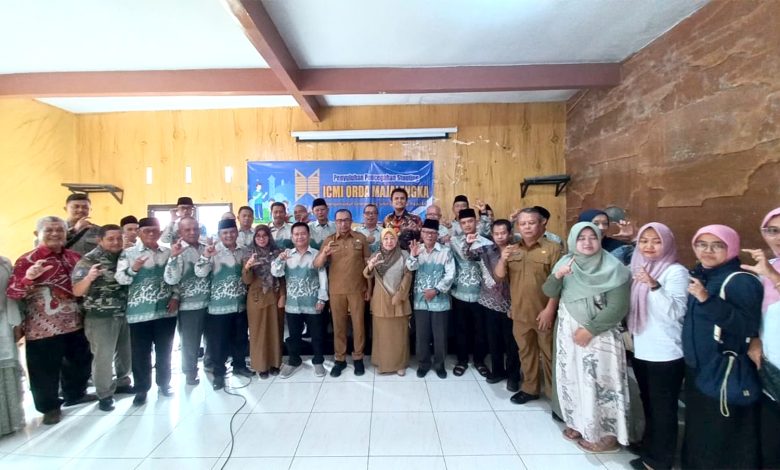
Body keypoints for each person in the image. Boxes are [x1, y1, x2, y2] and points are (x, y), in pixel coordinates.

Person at [543, 222, 632, 453]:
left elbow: (618, 307)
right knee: (573, 377)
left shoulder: (613, 267)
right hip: (569, 332)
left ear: (600, 239)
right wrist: (558, 276)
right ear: (573, 241)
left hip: (600, 335)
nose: (587, 242)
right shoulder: (566, 262)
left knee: (599, 382)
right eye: (581, 238)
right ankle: (578, 422)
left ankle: (606, 436)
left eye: (592, 237)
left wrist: (590, 330)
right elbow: (549, 291)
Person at [681, 225, 763, 469]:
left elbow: (746, 325)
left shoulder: (740, 280)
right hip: (699, 365)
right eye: (702, 244)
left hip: (723, 367)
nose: (708, 251)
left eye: (717, 245)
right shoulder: (701, 275)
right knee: (701, 429)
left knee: (721, 433)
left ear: (732, 248)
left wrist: (706, 299)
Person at [6, 216, 96, 425]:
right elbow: (13, 292)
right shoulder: (27, 260)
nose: (55, 234)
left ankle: (75, 394)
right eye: (49, 230)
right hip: (42, 327)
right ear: (37, 234)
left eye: (59, 230)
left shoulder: (74, 257)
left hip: (75, 321)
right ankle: (49, 407)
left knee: (79, 361)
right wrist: (29, 277)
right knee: (44, 369)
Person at [627, 223, 688, 470]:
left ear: (667, 243)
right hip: (642, 348)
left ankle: (659, 461)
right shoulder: (640, 266)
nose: (649, 246)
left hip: (666, 352)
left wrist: (654, 286)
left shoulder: (676, 272)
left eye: (656, 241)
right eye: (644, 241)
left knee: (664, 408)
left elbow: (675, 312)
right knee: (649, 402)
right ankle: (649, 446)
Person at [494, 208, 562, 404]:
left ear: (542, 224)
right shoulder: (513, 249)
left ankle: (555, 397)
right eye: (522, 224)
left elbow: (560, 283)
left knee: (549, 355)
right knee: (526, 353)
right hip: (520, 314)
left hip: (544, 314)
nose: (527, 227)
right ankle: (530, 389)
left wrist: (550, 310)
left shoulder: (553, 249)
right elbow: (499, 277)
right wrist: (503, 258)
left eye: (531, 223)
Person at [115, 217, 179, 406]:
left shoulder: (168, 252)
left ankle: (164, 383)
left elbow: (177, 276)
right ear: (139, 233)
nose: (151, 233)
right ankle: (141, 388)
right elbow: (120, 279)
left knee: (165, 350)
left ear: (160, 232)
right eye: (146, 231)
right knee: (140, 353)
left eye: (154, 230)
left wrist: (176, 296)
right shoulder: (128, 253)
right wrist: (134, 269)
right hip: (139, 312)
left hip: (165, 310)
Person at [72, 224, 134, 412]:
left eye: (119, 238)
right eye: (110, 239)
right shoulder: (89, 260)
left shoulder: (126, 256)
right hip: (101, 317)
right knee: (103, 358)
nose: (116, 242)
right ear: (100, 240)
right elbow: (77, 291)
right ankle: (104, 394)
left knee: (125, 352)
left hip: (125, 313)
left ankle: (123, 382)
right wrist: (89, 278)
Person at [195, 219, 252, 390]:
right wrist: (206, 256)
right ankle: (219, 374)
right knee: (218, 343)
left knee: (240, 338)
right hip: (218, 306)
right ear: (220, 235)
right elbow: (200, 272)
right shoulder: (213, 251)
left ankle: (239, 365)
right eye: (225, 233)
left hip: (240, 304)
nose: (229, 235)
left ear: (237, 232)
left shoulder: (244, 250)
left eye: (232, 232)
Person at [743, 207, 780, 470]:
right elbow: (760, 314)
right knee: (771, 440)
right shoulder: (768, 267)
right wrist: (754, 339)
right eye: (772, 230)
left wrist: (773, 276)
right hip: (770, 364)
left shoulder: (769, 271)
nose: (778, 237)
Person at [314, 209, 370, 377]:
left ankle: (358, 358)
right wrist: (324, 254)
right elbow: (317, 264)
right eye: (339, 221)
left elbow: (369, 265)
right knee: (339, 326)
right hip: (336, 291)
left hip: (357, 290)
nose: (343, 223)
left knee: (359, 326)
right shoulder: (329, 240)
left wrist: (369, 288)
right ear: (335, 222)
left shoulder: (360, 238)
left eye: (346, 220)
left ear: (351, 221)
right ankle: (340, 359)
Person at [467, 219, 520, 392]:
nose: (500, 236)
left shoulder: (518, 250)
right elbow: (469, 255)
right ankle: (497, 371)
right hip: (490, 302)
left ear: (510, 233)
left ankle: (513, 376)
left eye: (503, 233)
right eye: (496, 234)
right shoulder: (487, 249)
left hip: (513, 303)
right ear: (492, 234)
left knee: (512, 342)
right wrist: (470, 243)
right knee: (493, 339)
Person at [271, 222, 329, 378]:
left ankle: (318, 361)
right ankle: (294, 360)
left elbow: (323, 277)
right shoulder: (286, 254)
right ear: (292, 237)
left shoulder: (317, 254)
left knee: (317, 335)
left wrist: (322, 299)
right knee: (294, 335)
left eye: (303, 234)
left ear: (309, 236)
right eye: (296, 234)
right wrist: (280, 260)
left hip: (313, 302)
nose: (300, 237)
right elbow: (275, 272)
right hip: (293, 304)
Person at [163, 216, 210, 386]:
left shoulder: (206, 247)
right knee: (190, 342)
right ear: (180, 232)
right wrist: (176, 296)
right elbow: (171, 279)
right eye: (187, 229)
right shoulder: (177, 249)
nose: (192, 232)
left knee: (212, 339)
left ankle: (211, 367)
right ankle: (190, 372)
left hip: (211, 301)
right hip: (189, 304)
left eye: (195, 229)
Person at [407, 219, 456, 379]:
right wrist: (413, 255)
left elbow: (450, 275)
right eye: (426, 232)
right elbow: (410, 267)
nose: (429, 235)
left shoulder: (445, 251)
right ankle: (423, 364)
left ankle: (439, 365)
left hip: (440, 301)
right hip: (421, 301)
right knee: (422, 335)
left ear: (437, 234)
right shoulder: (417, 249)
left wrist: (436, 290)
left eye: (433, 233)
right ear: (421, 233)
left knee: (440, 336)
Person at [449, 208, 493, 377]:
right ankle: (462, 360)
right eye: (463, 222)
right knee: (460, 329)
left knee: (480, 330)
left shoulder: (485, 242)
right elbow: (461, 257)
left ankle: (479, 361)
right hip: (459, 292)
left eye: (470, 221)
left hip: (481, 293)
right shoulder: (454, 241)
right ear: (459, 224)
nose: (467, 225)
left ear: (476, 222)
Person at [364, 228, 413, 375]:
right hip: (381, 300)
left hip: (399, 300)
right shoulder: (376, 255)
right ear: (381, 240)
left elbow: (408, 275)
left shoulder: (404, 255)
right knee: (382, 335)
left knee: (399, 334)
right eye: (386, 239)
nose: (389, 242)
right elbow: (367, 274)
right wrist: (370, 265)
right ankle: (383, 363)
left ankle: (400, 364)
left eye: (392, 238)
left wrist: (400, 294)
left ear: (397, 240)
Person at [242, 225, 283, 379]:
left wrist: (283, 295)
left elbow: (282, 277)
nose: (261, 238)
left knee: (275, 330)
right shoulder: (249, 253)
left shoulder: (277, 252)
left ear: (269, 237)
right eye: (258, 236)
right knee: (258, 332)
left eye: (264, 235)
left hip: (275, 294)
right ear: (254, 238)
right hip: (257, 297)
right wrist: (248, 266)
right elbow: (246, 280)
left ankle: (274, 363)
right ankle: (261, 366)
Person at [0, 255, 24, 435]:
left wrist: (17, 323)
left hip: (3, 324)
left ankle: (8, 423)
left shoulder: (4, 263)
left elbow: (11, 295)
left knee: (6, 371)